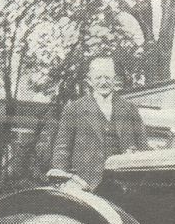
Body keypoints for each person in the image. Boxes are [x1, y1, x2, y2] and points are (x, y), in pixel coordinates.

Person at [49, 55, 149, 191]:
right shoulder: (74, 109)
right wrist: (62, 179)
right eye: (98, 78)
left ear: (114, 79)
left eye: (107, 77)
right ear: (89, 81)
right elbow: (62, 147)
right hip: (87, 185)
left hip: (125, 186)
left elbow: (143, 146)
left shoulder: (130, 109)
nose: (103, 82)